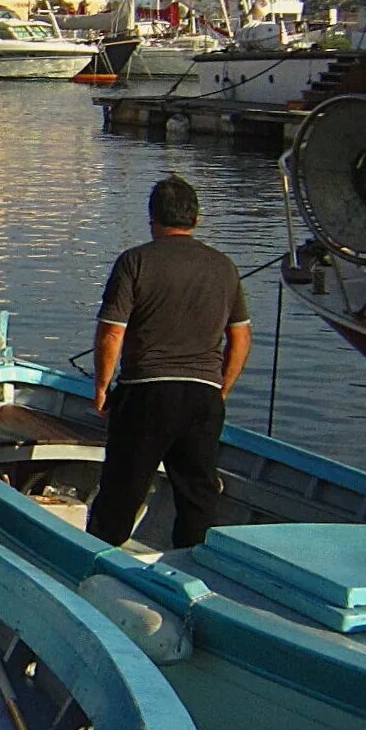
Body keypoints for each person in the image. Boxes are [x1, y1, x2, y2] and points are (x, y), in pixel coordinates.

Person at [84, 175, 251, 551]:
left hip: (146, 392)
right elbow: (240, 338)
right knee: (198, 495)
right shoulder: (224, 267)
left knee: (122, 489)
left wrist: (101, 388)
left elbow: (112, 333)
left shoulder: (134, 262)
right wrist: (221, 388)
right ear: (197, 218)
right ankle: (195, 572)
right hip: (204, 397)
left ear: (152, 219)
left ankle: (97, 563)